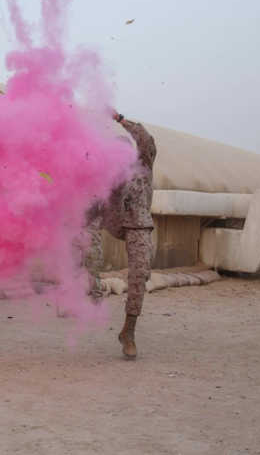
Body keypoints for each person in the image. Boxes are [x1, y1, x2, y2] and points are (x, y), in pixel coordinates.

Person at [101, 113, 157, 359]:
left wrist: (122, 119)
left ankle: (128, 329)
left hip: (139, 224)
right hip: (116, 222)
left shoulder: (143, 164)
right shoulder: (111, 175)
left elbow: (147, 141)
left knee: (141, 272)